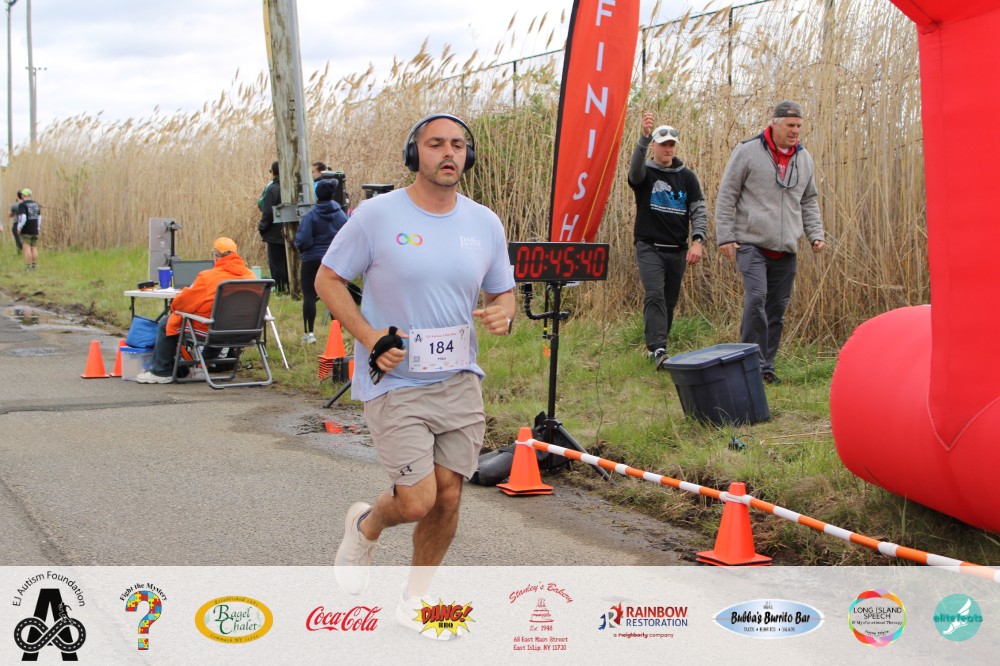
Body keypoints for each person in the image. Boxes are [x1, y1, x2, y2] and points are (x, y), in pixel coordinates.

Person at [315, 113, 515, 638]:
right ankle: (366, 525)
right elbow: (327, 279)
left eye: (458, 145)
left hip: (459, 379)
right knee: (418, 499)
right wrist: (370, 337)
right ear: (414, 154)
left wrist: (504, 312)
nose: (448, 153)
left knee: (449, 496)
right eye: (436, 144)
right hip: (397, 380)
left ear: (468, 156)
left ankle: (416, 599)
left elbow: (503, 291)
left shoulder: (485, 223)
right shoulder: (376, 216)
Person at [716, 100, 826, 384]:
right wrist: (725, 236)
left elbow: (808, 200)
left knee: (776, 310)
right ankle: (746, 365)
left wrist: (815, 234)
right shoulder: (748, 151)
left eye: (799, 126)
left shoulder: (804, 159)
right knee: (756, 300)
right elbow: (727, 194)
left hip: (786, 248)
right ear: (774, 123)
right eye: (790, 125)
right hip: (751, 243)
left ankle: (766, 367)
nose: (795, 131)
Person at [627, 113, 708, 369]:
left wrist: (698, 240)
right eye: (663, 144)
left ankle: (658, 346)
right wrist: (643, 138)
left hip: (677, 249)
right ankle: (657, 349)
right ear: (655, 146)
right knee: (655, 295)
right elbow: (634, 171)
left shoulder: (687, 177)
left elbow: (698, 210)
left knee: (669, 300)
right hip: (649, 246)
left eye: (672, 145)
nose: (668, 149)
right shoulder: (645, 174)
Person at [136, 237, 256, 384]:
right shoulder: (251, 276)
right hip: (246, 331)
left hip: (213, 330)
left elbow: (183, 304)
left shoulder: (208, 277)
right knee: (215, 323)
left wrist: (174, 307)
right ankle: (203, 365)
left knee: (166, 322)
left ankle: (161, 372)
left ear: (215, 256)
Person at [294, 178, 347, 344]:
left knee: (309, 295)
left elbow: (304, 239)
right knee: (334, 295)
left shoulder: (311, 215)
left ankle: (309, 335)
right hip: (333, 260)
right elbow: (347, 236)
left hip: (312, 259)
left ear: (317, 195)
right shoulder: (341, 215)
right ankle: (336, 333)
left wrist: (300, 247)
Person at [257, 160, 289, 294]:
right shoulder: (291, 186)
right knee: (289, 262)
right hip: (292, 233)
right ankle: (292, 288)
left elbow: (268, 212)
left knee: (277, 263)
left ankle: (281, 290)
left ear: (274, 172)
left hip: (275, 234)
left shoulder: (272, 188)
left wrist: (262, 227)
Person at [15, 189, 42, 270]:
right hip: (35, 229)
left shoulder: (22, 205)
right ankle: (34, 265)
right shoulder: (36, 204)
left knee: (26, 248)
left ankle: (28, 266)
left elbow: (23, 217)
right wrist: (38, 227)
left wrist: (19, 228)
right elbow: (39, 217)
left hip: (26, 230)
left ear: (23, 195)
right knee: (34, 247)